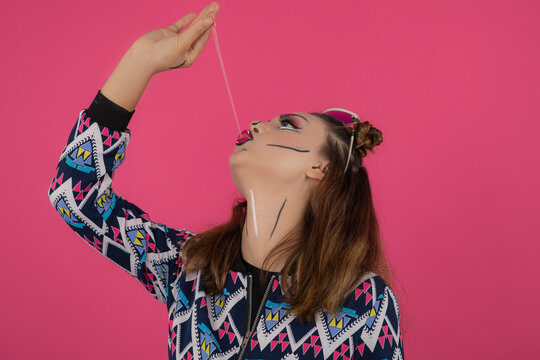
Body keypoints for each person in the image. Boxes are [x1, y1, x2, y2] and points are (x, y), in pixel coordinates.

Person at [47, 2, 405, 359]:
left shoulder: (364, 304)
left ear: (322, 168)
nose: (255, 125)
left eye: (287, 125)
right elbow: (76, 198)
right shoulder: (187, 267)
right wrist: (140, 61)